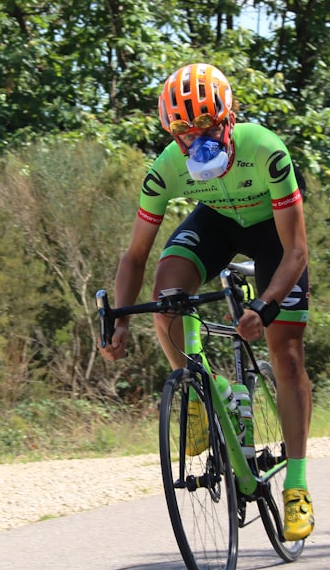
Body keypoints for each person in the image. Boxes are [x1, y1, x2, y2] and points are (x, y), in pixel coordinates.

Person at [99, 63, 315, 541]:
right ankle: (207, 389)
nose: (198, 143)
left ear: (230, 117)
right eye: (183, 133)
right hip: (215, 223)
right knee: (166, 296)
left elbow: (296, 251)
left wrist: (267, 305)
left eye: (208, 128)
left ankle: (296, 485)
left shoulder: (266, 151)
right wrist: (119, 320)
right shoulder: (166, 169)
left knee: (287, 354)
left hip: (272, 237)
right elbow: (135, 255)